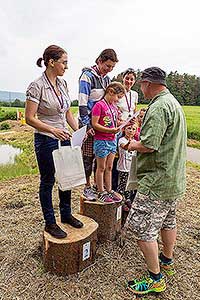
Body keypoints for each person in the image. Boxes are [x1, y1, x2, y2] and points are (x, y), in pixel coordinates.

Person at [124, 67, 187, 295]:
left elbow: (150, 145)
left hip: (157, 180)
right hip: (173, 178)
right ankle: (167, 261)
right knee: (168, 222)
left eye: (142, 84)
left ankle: (155, 278)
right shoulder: (173, 102)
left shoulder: (159, 106)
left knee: (143, 229)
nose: (141, 89)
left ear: (148, 83)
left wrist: (130, 144)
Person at [25, 45, 83, 239]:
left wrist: (78, 131)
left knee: (67, 178)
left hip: (63, 137)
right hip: (46, 139)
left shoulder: (63, 84)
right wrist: (52, 130)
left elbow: (67, 112)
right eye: (64, 62)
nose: (66, 66)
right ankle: (50, 222)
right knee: (48, 181)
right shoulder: (37, 85)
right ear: (51, 62)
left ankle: (66, 215)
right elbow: (30, 118)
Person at [78, 49, 118, 200]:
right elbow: (82, 103)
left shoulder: (106, 79)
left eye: (112, 68)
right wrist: (87, 126)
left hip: (103, 126)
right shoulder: (87, 77)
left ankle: (98, 187)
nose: (109, 69)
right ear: (99, 61)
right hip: (88, 123)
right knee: (88, 157)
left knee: (100, 158)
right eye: (108, 66)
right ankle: (87, 186)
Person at [91, 82, 125, 203]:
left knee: (110, 167)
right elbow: (95, 124)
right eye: (118, 97)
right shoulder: (99, 105)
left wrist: (123, 123)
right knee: (101, 167)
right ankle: (101, 191)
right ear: (110, 91)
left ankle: (109, 190)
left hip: (112, 140)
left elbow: (114, 122)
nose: (118, 100)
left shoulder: (114, 107)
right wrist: (111, 130)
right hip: (101, 140)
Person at [112, 68, 138, 191]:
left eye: (132, 79)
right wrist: (120, 122)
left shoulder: (135, 94)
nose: (129, 81)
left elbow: (133, 111)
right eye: (127, 78)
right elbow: (113, 109)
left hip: (128, 129)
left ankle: (125, 188)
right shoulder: (118, 92)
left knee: (127, 155)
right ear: (123, 78)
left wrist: (133, 121)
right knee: (115, 157)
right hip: (118, 128)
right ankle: (112, 185)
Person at [116, 122, 138, 212]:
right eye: (129, 128)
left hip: (131, 168)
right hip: (123, 168)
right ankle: (119, 202)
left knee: (129, 187)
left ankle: (127, 201)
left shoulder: (135, 141)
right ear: (124, 129)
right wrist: (130, 142)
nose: (131, 131)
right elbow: (125, 147)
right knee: (122, 186)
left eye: (133, 129)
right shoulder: (121, 140)